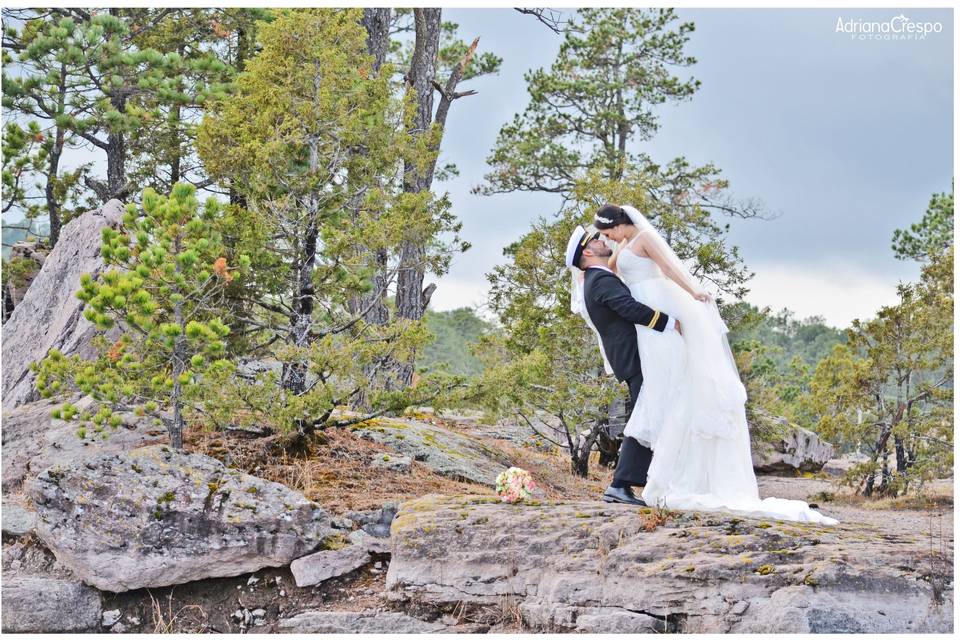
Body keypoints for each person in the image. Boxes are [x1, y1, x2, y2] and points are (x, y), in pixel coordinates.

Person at [589, 204, 837, 524]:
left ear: (621, 225)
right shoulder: (620, 246)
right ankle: (646, 473)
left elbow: (670, 267)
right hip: (644, 318)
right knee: (655, 389)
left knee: (666, 386)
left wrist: (694, 291)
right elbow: (609, 272)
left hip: (657, 308)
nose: (605, 238)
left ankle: (648, 475)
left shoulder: (645, 238)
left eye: (608, 232)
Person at [564, 225, 680, 506]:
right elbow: (628, 307)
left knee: (650, 415)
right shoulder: (599, 281)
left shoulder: (598, 277)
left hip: (632, 357)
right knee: (644, 417)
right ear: (588, 252)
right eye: (596, 240)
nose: (603, 240)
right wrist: (668, 322)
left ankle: (644, 480)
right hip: (634, 357)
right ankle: (620, 484)